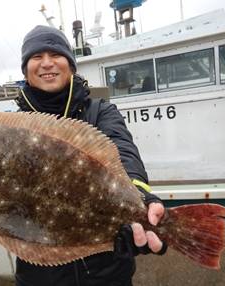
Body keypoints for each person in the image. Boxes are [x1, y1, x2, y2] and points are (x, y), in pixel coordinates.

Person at [15, 25, 166, 286]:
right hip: (40, 275)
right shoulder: (12, 127)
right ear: (26, 71)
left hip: (106, 272)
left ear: (71, 65)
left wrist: (138, 197)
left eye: (56, 55)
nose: (47, 63)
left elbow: (122, 151)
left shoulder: (100, 112)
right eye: (36, 57)